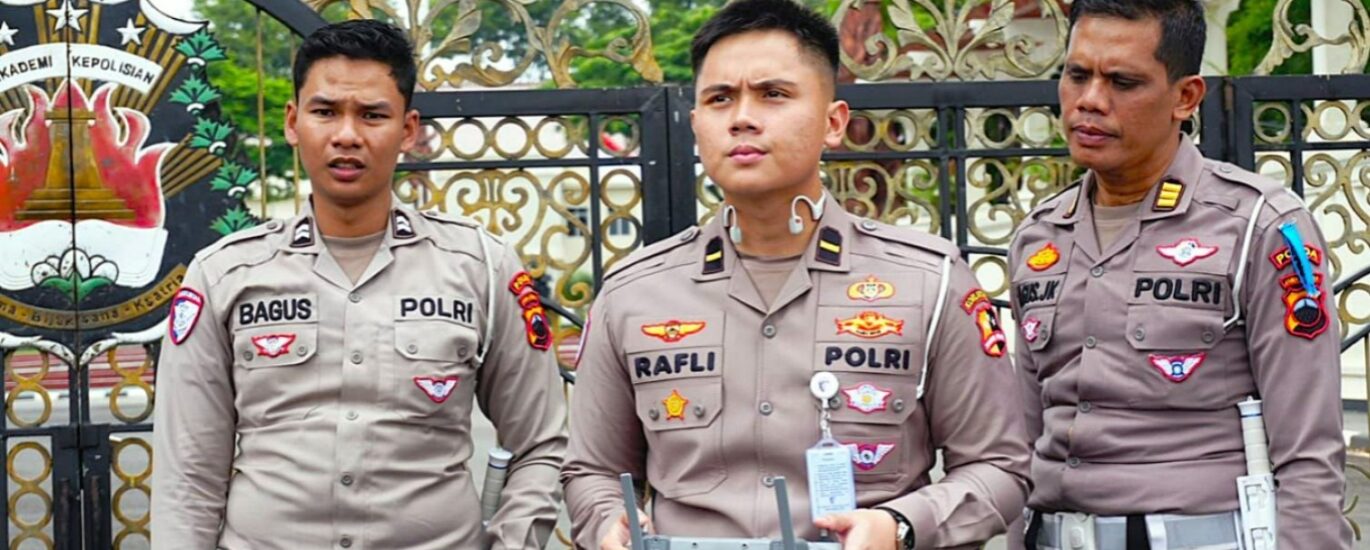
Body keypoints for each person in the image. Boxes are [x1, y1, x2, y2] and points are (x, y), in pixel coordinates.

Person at [561, 1, 1031, 548]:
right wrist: (608, 521)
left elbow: (999, 468)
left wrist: (900, 525)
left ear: (833, 122)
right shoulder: (634, 293)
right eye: (719, 98)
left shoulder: (930, 282)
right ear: (696, 125)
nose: (741, 117)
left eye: (773, 94)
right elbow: (591, 470)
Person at [150, 20, 567, 550]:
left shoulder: (480, 267)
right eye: (325, 112)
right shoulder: (225, 274)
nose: (347, 135)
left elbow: (540, 445)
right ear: (293, 122)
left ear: (408, 129)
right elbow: (188, 474)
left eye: (372, 115)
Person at [1007, 1, 1351, 548]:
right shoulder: (1040, 237)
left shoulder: (1260, 227)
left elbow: (1310, 454)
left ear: (1186, 97)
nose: (1090, 100)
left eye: (1123, 82)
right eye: (1076, 75)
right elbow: (1019, 442)